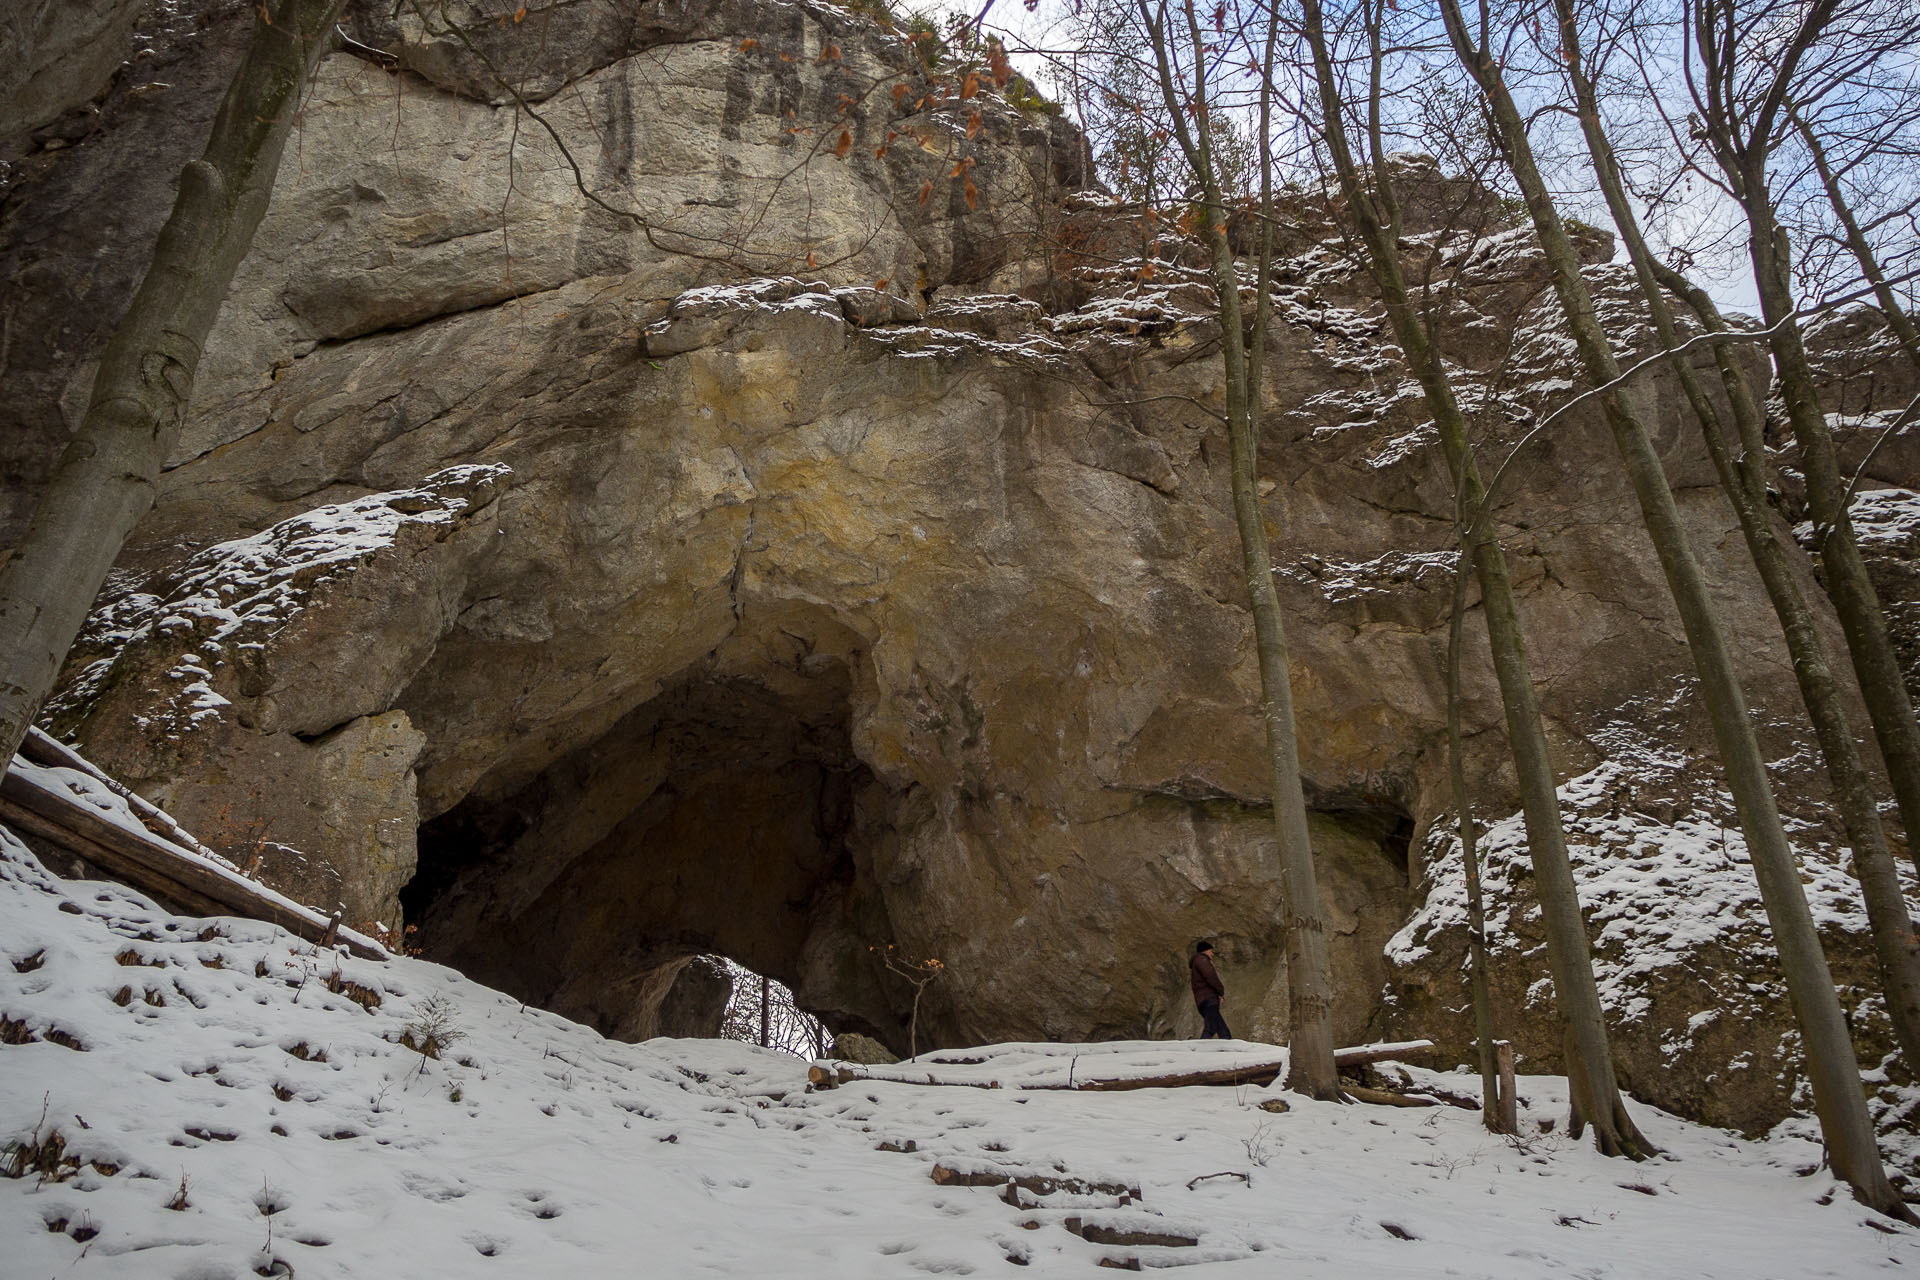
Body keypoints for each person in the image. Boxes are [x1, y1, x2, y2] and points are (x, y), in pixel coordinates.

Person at [1189, 939, 1231, 1040]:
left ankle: (1228, 1049)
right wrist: (1220, 991)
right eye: (1211, 951)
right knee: (1211, 1028)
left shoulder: (1197, 962)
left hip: (1203, 1001)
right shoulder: (1202, 960)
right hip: (1209, 999)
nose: (1212, 954)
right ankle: (1200, 1051)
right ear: (1205, 951)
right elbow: (1210, 976)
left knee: (1223, 1030)